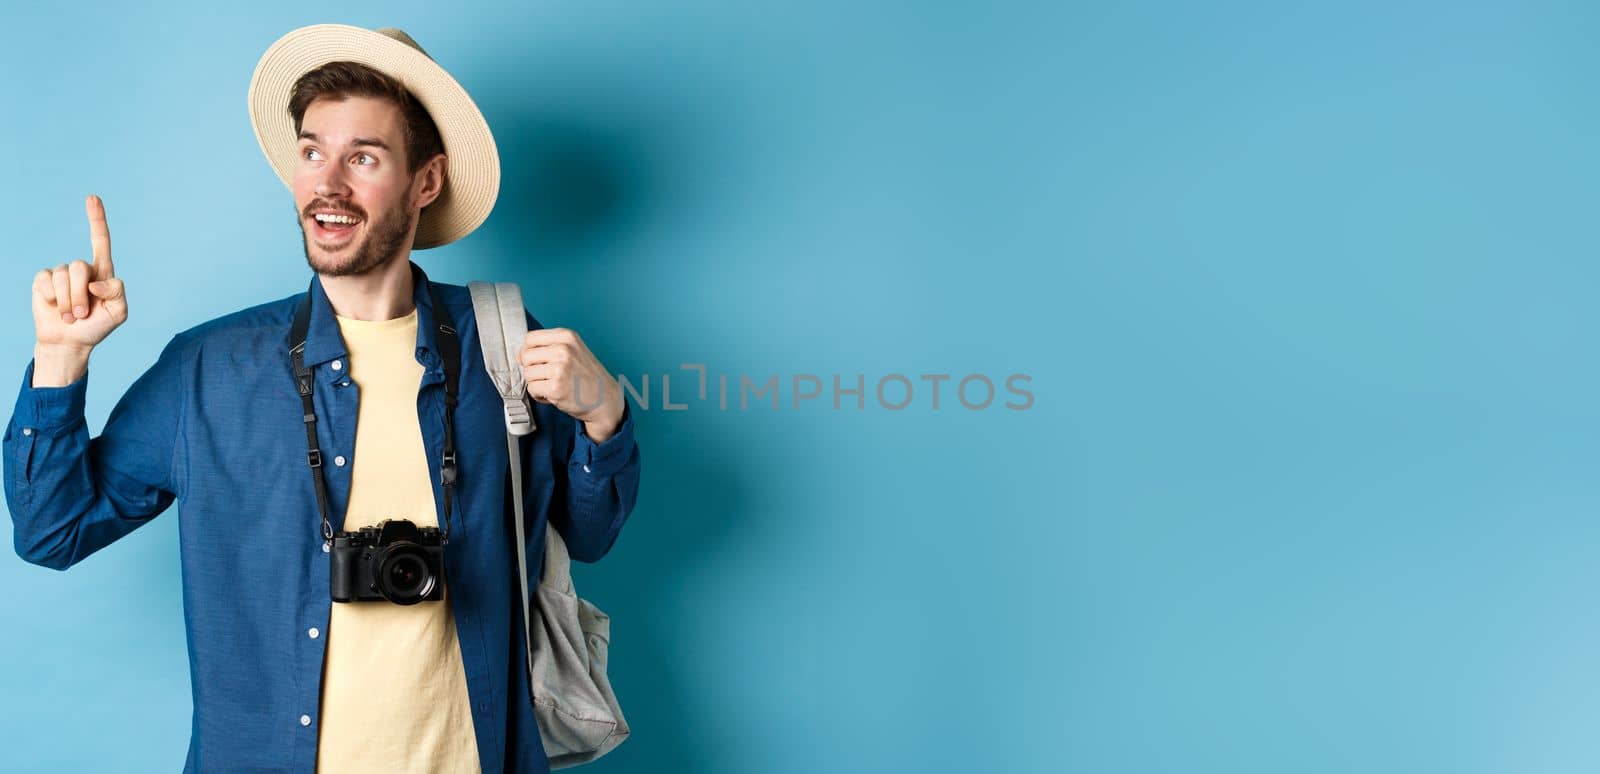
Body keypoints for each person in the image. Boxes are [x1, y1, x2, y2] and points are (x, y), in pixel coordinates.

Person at [2, 24, 641, 774]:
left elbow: (588, 537)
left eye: (363, 157)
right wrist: (60, 357)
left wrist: (604, 414)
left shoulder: (503, 342)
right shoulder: (209, 369)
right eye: (312, 151)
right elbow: (51, 532)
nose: (327, 185)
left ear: (425, 182)